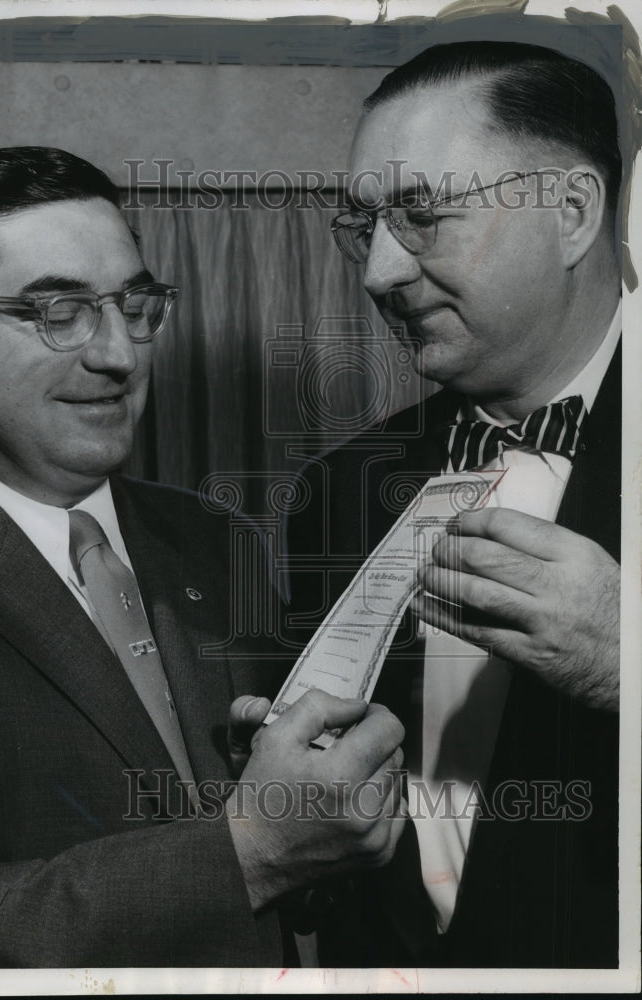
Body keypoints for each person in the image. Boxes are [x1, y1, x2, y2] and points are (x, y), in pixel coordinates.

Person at [0, 146, 407, 968]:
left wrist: (337, 814)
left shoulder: (210, 539)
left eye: (135, 304)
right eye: (59, 312)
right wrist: (249, 848)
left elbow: (295, 871)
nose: (119, 355)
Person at [287, 41, 622, 967]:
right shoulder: (338, 489)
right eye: (365, 227)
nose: (377, 272)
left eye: (422, 215)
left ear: (570, 213)